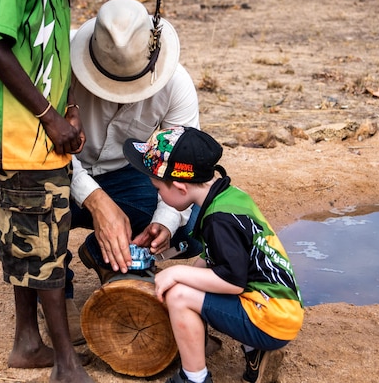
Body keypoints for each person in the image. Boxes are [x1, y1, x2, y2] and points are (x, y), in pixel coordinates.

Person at [0, 0, 123, 383]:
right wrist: (48, 117)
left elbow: (46, 54)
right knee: (46, 249)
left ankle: (27, 342)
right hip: (19, 138)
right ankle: (66, 363)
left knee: (29, 239)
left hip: (41, 134)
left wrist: (69, 110)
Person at [122, 126, 304, 383]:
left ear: (180, 187)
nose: (158, 195)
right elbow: (213, 258)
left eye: (158, 190)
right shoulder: (227, 196)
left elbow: (232, 281)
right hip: (279, 306)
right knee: (187, 284)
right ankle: (254, 350)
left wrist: (176, 272)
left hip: (269, 318)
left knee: (180, 296)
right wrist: (186, 275)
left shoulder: (219, 221)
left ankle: (194, 378)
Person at [66, 0, 201, 301]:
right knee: (33, 203)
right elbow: (39, 144)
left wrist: (164, 222)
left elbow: (181, 165)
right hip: (60, 172)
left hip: (125, 177)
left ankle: (108, 256)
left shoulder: (177, 85)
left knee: (191, 228)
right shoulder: (61, 63)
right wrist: (96, 200)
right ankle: (58, 293)